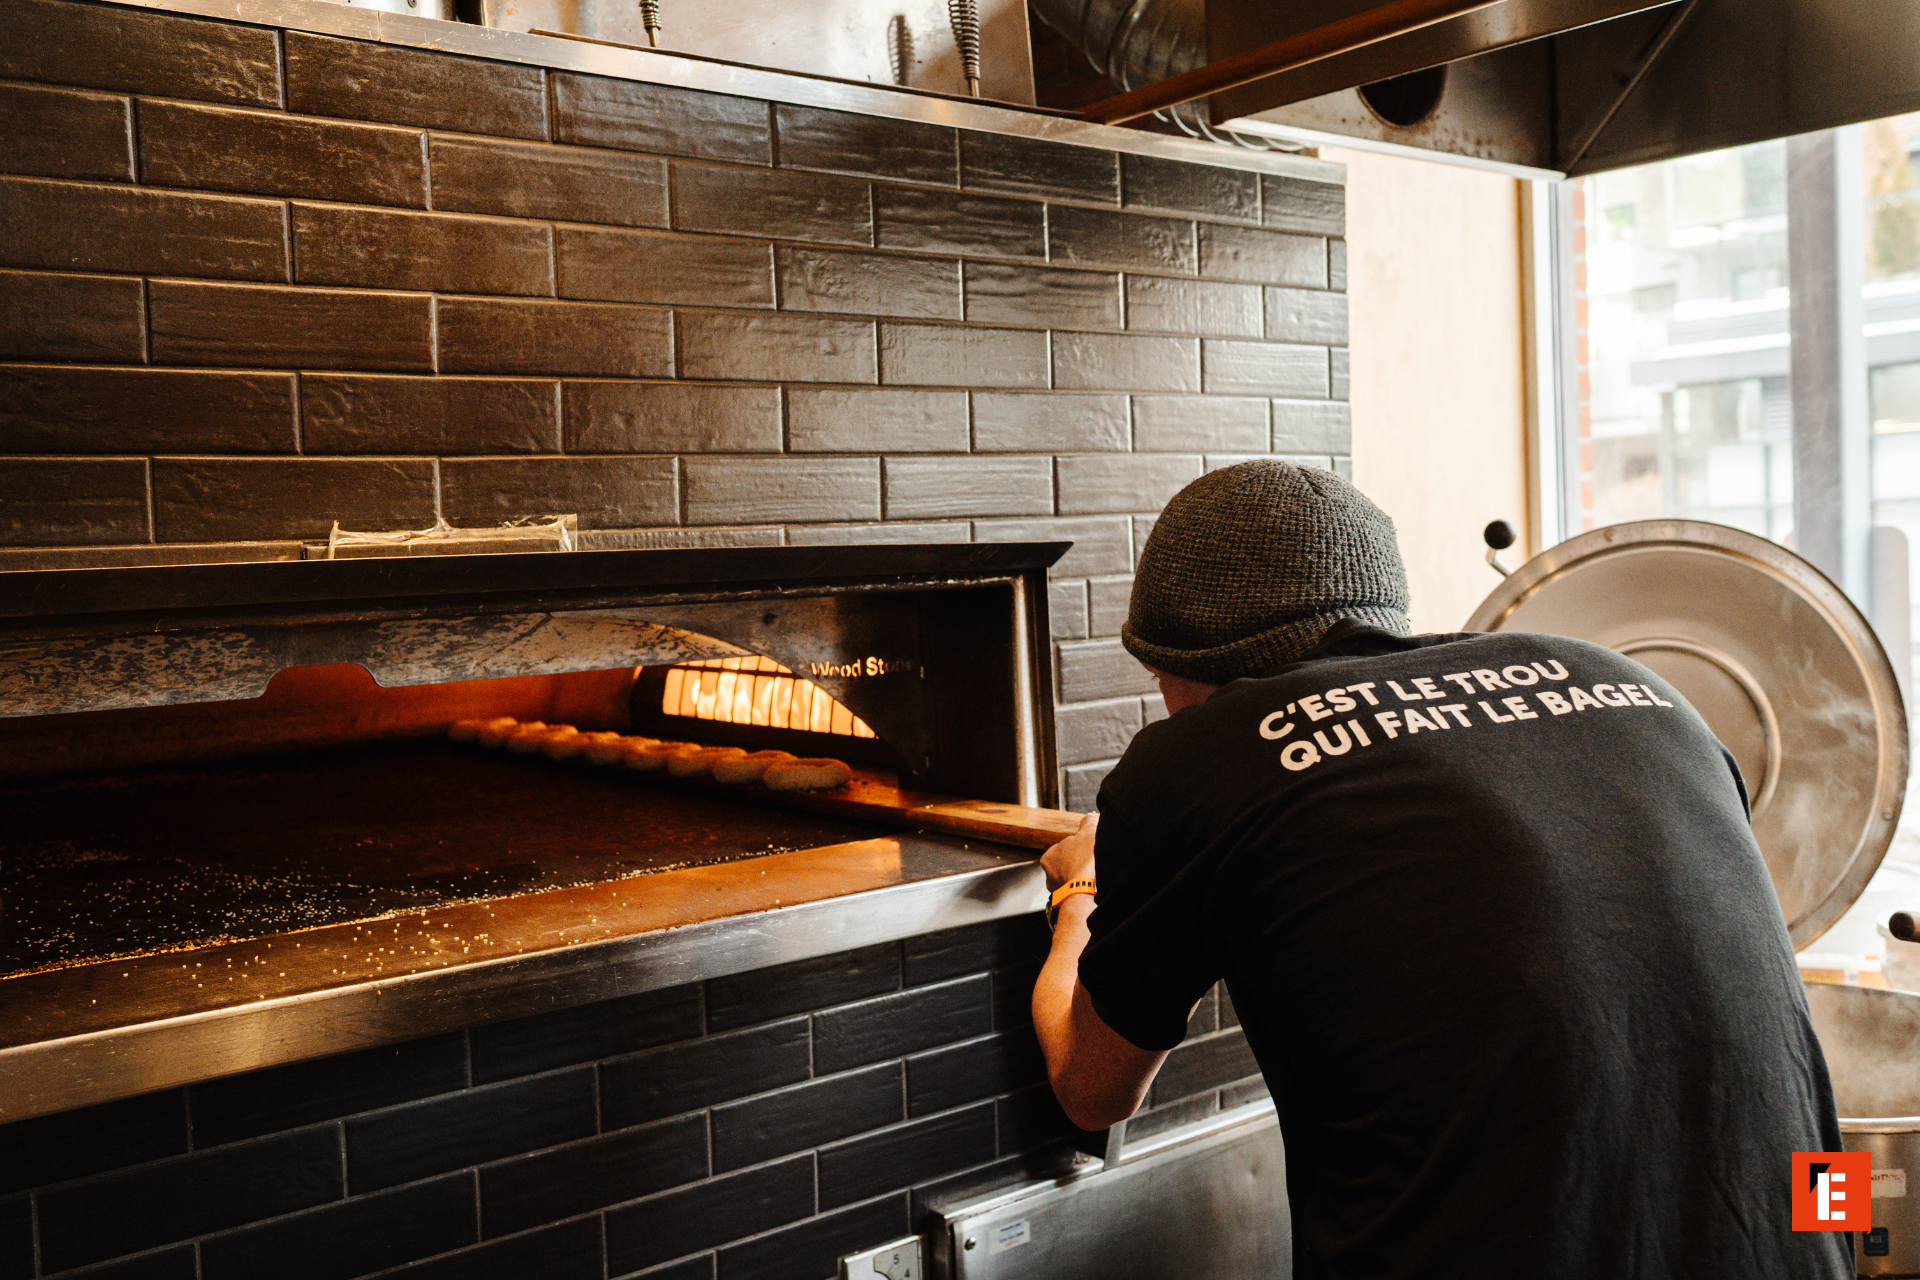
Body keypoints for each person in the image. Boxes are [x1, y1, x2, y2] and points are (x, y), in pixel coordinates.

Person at [1031, 460, 1850, 1278]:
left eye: (1157, 679)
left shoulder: (1200, 756)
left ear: (1184, 663)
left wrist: (1080, 892)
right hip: (1809, 1240)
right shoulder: (1638, 687)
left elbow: (1092, 1091)